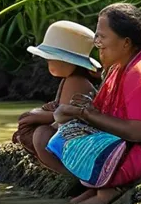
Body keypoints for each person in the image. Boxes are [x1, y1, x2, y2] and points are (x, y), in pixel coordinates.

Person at [41, 3, 141, 204]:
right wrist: (76, 113)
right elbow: (103, 115)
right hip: (132, 144)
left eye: (102, 37)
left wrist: (86, 114)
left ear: (126, 43)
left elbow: (139, 132)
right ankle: (100, 185)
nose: (97, 42)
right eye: (96, 36)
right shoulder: (117, 69)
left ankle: (111, 187)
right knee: (65, 133)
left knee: (72, 140)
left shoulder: (140, 73)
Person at [13, 21, 100, 157]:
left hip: (75, 136)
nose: (48, 62)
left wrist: (35, 116)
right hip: (65, 127)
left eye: (51, 59)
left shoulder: (76, 82)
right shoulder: (70, 80)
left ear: (68, 61)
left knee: (38, 132)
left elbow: (67, 118)